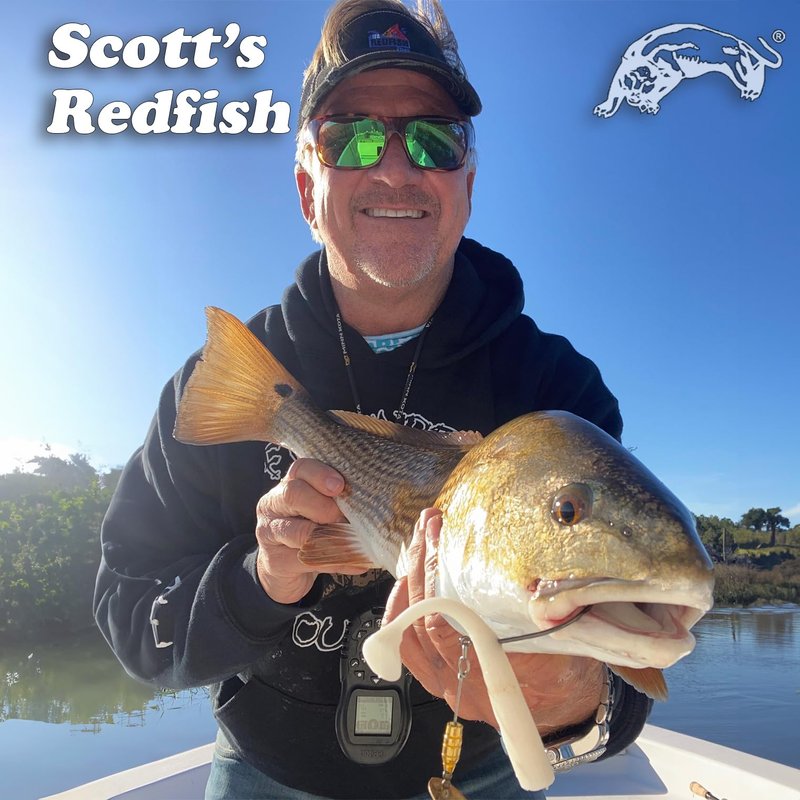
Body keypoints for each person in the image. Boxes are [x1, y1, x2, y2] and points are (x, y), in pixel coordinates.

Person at [94, 1, 652, 798]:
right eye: (351, 137)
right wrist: (260, 580)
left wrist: (569, 698)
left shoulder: (557, 393)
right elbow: (128, 610)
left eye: (433, 139)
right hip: (261, 769)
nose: (395, 169)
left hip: (479, 770)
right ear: (306, 188)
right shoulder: (220, 382)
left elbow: (632, 660)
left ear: (466, 183)